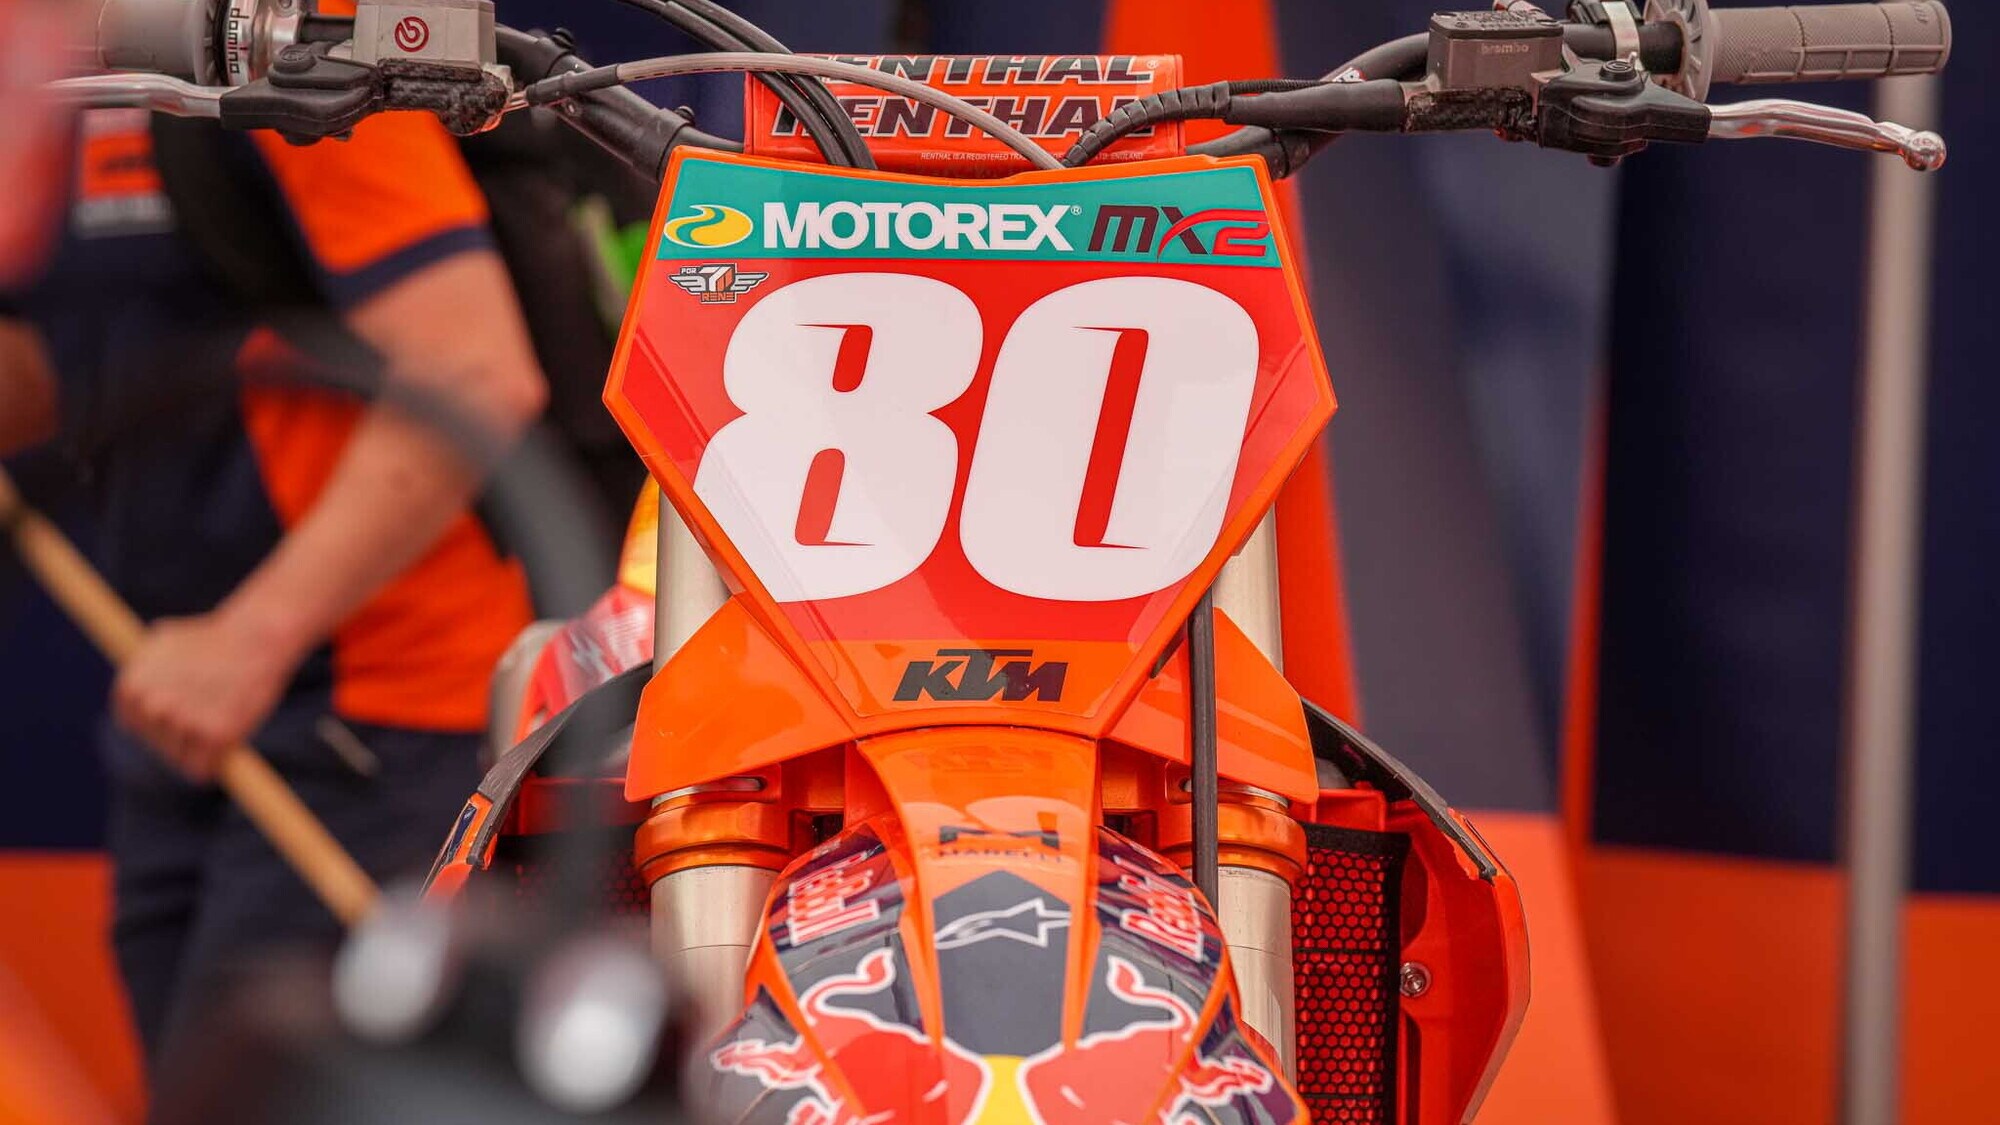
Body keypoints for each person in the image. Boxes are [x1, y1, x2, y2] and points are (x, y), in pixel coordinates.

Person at [0, 102, 545, 1077]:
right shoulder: (50, 87)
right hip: (179, 702)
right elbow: (80, 370)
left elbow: (474, 371)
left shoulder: (291, 54)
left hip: (377, 716)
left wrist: (252, 638)